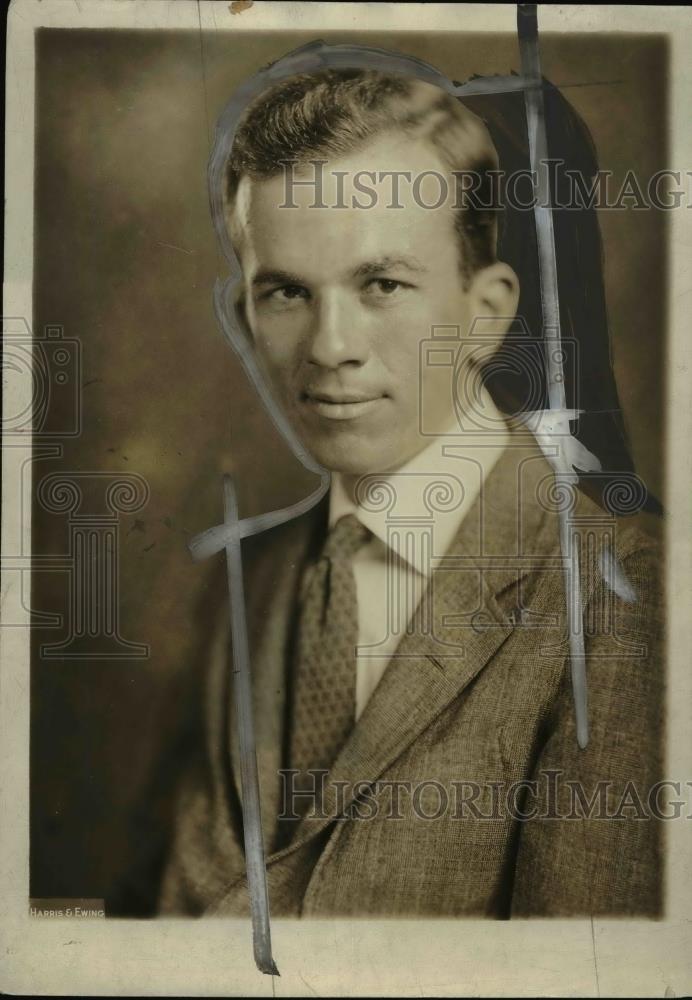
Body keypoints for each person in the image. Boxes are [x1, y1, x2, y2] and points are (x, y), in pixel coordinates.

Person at [157, 65, 664, 918]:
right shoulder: (245, 581)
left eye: (381, 285)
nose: (330, 347)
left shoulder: (623, 594)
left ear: (485, 311)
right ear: (244, 318)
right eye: (285, 292)